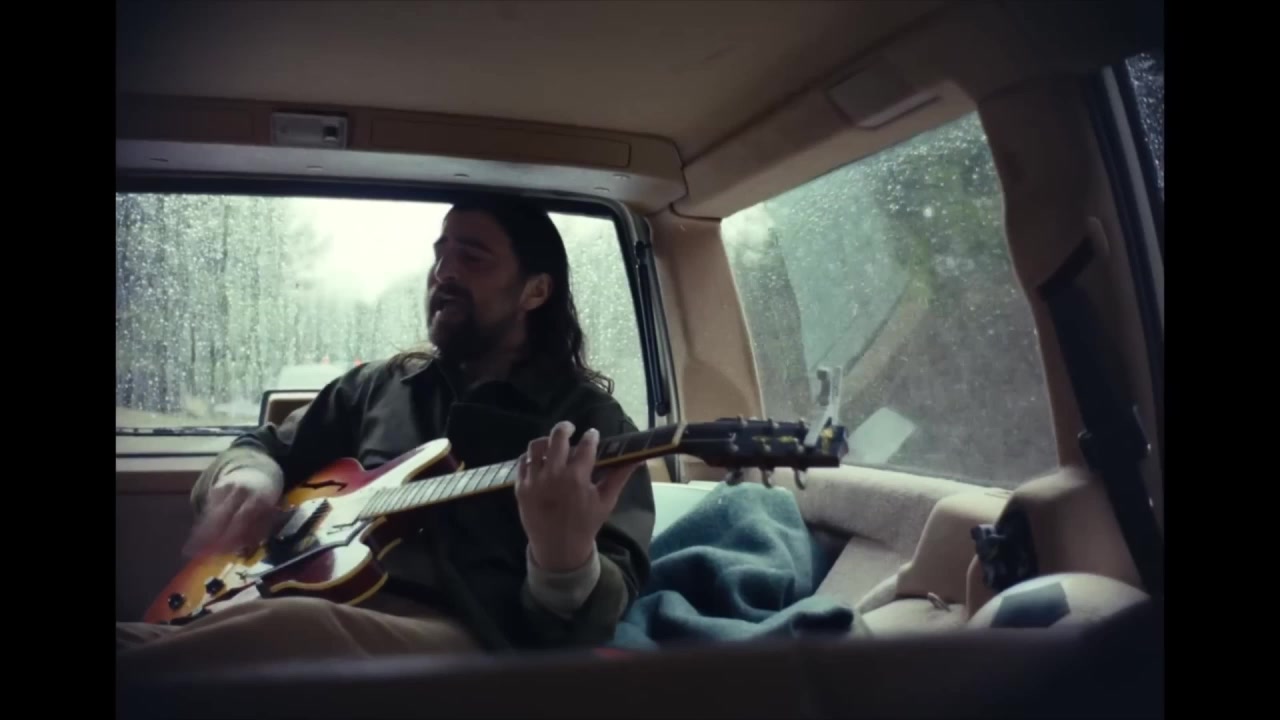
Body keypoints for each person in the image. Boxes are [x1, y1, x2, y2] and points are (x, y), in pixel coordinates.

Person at [116, 195, 655, 677]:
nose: (443, 272)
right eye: (440, 255)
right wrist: (248, 477)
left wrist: (564, 559)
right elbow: (263, 447)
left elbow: (595, 621)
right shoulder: (379, 386)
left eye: (472, 257)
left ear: (535, 291)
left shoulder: (593, 427)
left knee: (296, 628)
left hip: (464, 637)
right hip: (287, 603)